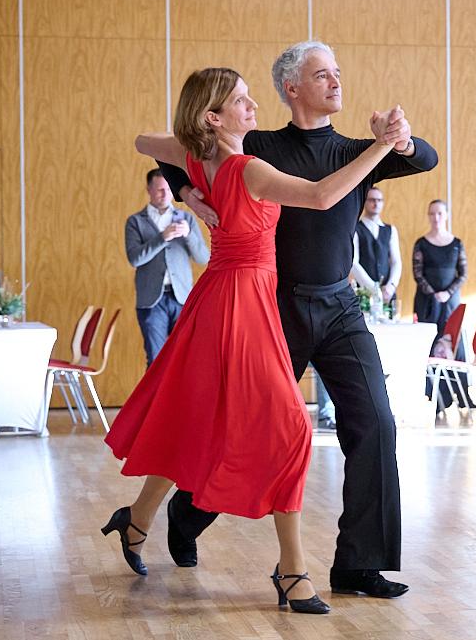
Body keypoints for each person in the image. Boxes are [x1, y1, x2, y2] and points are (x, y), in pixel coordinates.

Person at [103, 66, 400, 614]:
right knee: (290, 430)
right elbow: (320, 195)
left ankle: (138, 519)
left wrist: (191, 190)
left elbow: (143, 141)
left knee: (196, 420)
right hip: (241, 306)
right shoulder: (246, 168)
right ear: (213, 117)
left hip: (222, 300)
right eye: (241, 102)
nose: (254, 108)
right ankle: (292, 571)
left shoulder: (200, 157)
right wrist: (381, 147)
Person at [161, 41, 438, 598]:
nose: (336, 81)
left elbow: (424, 157)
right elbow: (172, 154)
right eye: (322, 75)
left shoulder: (356, 151)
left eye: (338, 72)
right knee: (242, 428)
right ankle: (185, 516)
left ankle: (358, 564)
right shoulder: (257, 145)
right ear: (291, 88)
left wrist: (400, 139)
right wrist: (192, 193)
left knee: (376, 424)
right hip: (273, 307)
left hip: (340, 310)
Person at [125, 169, 210, 366]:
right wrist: (162, 238)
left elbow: (203, 257)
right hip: (151, 301)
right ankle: (155, 398)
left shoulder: (186, 219)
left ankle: (183, 398)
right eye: (159, 190)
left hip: (182, 299)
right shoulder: (136, 222)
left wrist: (188, 234)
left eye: (168, 189)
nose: (165, 194)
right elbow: (134, 259)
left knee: (185, 357)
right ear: (149, 190)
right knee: (156, 360)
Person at [411, 200, 472, 413]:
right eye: (432, 214)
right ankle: (433, 398)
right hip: (427, 301)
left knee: (455, 346)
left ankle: (463, 395)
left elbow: (463, 273)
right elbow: (417, 273)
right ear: (429, 216)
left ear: (445, 215)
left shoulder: (457, 243)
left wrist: (447, 293)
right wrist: (434, 293)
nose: (436, 218)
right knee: (428, 346)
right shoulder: (421, 243)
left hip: (451, 301)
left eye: (439, 213)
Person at [351, 187, 402, 315]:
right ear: (365, 202)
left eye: (379, 200)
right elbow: (353, 262)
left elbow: (396, 261)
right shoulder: (355, 228)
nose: (376, 203)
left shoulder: (390, 230)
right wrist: (373, 288)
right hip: (364, 292)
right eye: (372, 200)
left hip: (388, 294)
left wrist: (391, 286)